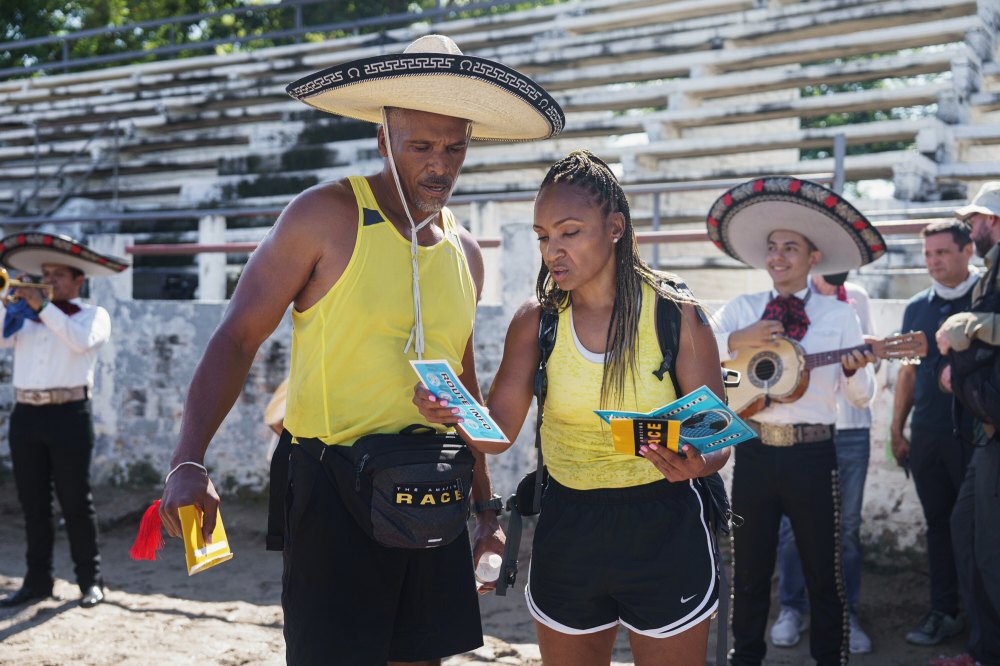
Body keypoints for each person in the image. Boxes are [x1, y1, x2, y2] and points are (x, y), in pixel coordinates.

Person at [157, 34, 564, 665]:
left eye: (454, 147)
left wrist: (484, 510)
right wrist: (188, 460)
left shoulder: (466, 253)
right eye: (421, 145)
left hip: (432, 486)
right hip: (330, 484)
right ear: (384, 138)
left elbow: (464, 386)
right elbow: (237, 336)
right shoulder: (324, 214)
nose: (440, 165)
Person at [415, 150, 729, 666]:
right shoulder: (537, 322)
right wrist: (452, 410)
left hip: (665, 524)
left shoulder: (676, 315)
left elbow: (715, 436)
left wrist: (698, 461)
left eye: (569, 232)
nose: (552, 251)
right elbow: (497, 434)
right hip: (568, 523)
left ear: (615, 227)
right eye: (542, 236)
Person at [705, 177, 881, 666]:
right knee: (750, 570)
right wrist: (741, 338)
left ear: (813, 258)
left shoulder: (839, 316)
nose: (778, 256)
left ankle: (831, 657)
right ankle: (746, 657)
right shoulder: (741, 310)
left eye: (790, 248)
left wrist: (856, 371)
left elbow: (860, 398)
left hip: (813, 453)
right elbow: (700, 355)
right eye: (772, 248)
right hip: (755, 451)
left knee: (825, 571)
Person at [0, 232, 129, 609]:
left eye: (58, 274)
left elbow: (81, 342)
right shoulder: (20, 315)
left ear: (78, 281)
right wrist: (16, 302)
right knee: (33, 504)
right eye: (46, 273)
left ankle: (90, 580)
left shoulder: (93, 315)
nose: (49, 280)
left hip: (69, 416)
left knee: (76, 502)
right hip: (26, 415)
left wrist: (42, 307)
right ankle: (37, 581)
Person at [771, 270, 876, 654]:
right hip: (800, 428)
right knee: (790, 527)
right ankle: (792, 609)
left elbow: (870, 366)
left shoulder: (858, 299)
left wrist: (855, 363)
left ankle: (845, 615)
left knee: (846, 529)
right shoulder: (783, 301)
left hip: (850, 430)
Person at [890, 219, 978, 646]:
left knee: (982, 530)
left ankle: (985, 621)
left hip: (979, 437)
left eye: (942, 252)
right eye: (927, 254)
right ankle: (945, 612)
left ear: (968, 251)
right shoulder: (917, 307)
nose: (933, 261)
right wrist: (897, 430)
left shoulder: (986, 300)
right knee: (938, 526)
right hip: (927, 435)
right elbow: (906, 374)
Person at [932, 182, 1000, 666]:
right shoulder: (990, 271)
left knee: (992, 550)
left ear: (992, 221)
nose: (970, 229)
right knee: (968, 530)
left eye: (975, 220)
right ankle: (982, 650)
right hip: (987, 427)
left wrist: (971, 330)